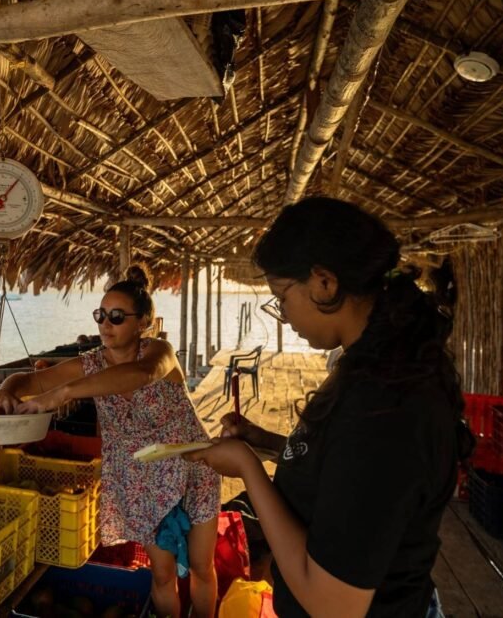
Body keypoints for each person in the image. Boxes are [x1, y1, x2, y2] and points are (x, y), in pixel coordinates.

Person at [186, 197, 473, 618]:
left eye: (282, 298)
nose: (284, 315)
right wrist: (267, 443)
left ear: (323, 283)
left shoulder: (385, 408)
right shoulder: (376, 365)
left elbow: (334, 606)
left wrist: (248, 467)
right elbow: (346, 469)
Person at [0, 265, 221, 618]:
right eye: (101, 315)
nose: (105, 324)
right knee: (162, 575)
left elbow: (141, 375)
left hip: (194, 467)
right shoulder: (90, 365)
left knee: (201, 566)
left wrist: (64, 392)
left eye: (117, 317)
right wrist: (7, 389)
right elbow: (29, 381)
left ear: (142, 322)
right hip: (145, 483)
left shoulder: (159, 353)